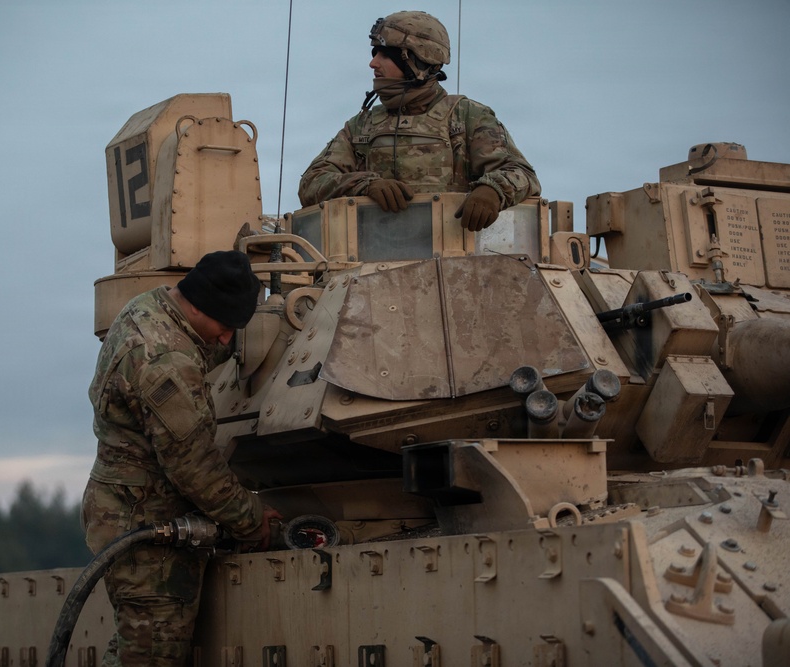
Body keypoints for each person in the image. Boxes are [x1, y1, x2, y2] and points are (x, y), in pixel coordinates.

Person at [82, 249, 282, 667]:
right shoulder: (165, 361)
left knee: (136, 650)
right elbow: (194, 467)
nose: (227, 339)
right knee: (152, 657)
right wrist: (250, 519)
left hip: (131, 512)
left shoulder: (151, 308)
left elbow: (202, 347)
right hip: (147, 526)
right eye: (225, 326)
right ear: (199, 304)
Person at [298, 10, 541, 231]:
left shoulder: (467, 117)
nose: (373, 63)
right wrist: (364, 185)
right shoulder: (361, 126)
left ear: (417, 61)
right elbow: (311, 183)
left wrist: (493, 190)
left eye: (386, 54)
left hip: (456, 262)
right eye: (375, 54)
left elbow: (521, 173)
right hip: (373, 261)